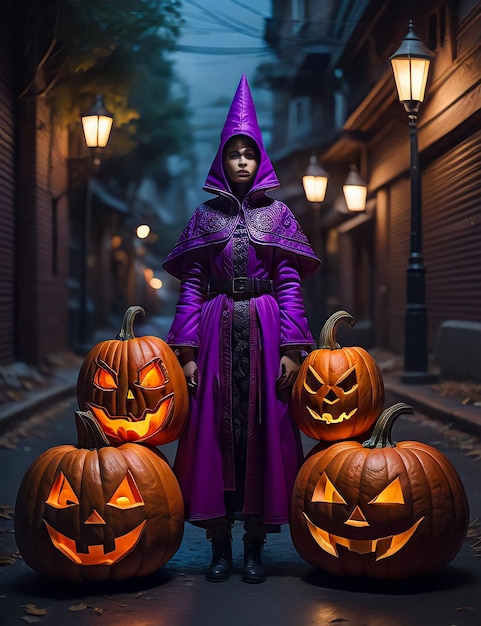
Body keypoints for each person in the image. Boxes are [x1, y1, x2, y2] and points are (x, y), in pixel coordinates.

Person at [163, 75, 320, 583]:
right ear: (221, 161)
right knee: (215, 432)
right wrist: (185, 352)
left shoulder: (278, 215)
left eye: (249, 154)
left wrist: (293, 349)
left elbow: (291, 281)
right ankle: (219, 545)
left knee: (261, 429)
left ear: (261, 160)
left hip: (266, 330)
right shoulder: (204, 218)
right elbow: (190, 284)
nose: (242, 162)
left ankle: (255, 543)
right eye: (233, 154)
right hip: (212, 335)